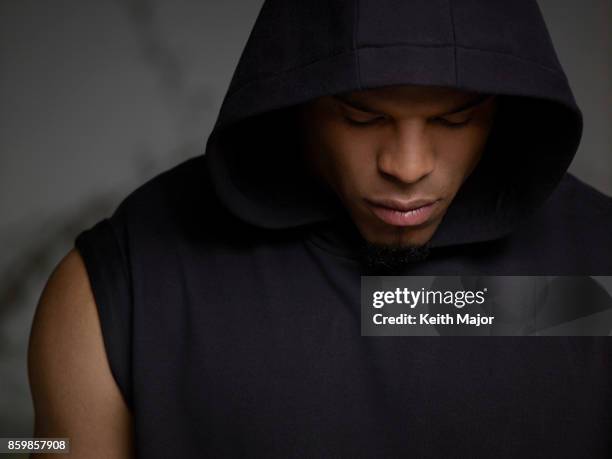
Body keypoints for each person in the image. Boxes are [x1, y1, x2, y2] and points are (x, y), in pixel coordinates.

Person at [29, 1, 612, 457]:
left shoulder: (596, 275)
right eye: (362, 115)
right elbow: (41, 447)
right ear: (295, 96)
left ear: (507, 106)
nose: (407, 167)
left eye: (455, 118)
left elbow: (395, 313)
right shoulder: (122, 286)